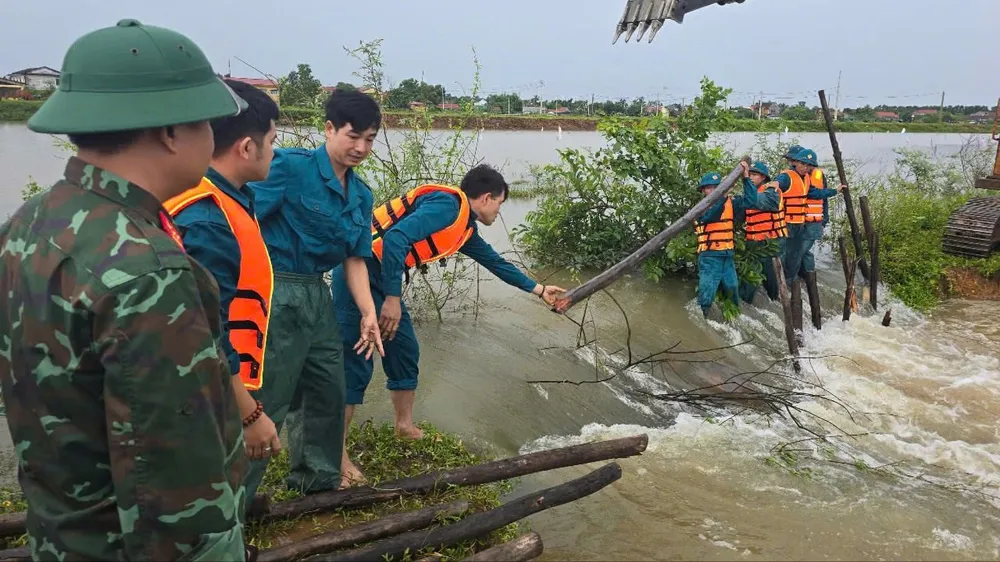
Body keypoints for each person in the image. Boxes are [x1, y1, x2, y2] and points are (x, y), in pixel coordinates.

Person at [0, 19, 252, 560]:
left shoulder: (32, 221)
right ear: (169, 131)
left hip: (61, 533)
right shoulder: (148, 273)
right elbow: (174, 492)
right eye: (207, 121)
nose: (214, 137)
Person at [331, 164, 566, 483]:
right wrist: (392, 299)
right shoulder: (447, 206)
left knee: (405, 348)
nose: (499, 211)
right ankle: (337, 458)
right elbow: (397, 238)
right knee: (356, 361)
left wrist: (539, 290)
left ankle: (404, 426)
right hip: (357, 272)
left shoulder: (464, 228)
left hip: (380, 277)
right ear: (486, 198)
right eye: (500, 203)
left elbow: (494, 262)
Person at [242, 89, 385, 501]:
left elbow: (354, 258)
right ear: (328, 129)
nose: (361, 147)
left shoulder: (361, 194)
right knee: (269, 394)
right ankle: (237, 499)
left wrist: (367, 313)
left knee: (326, 387)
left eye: (370, 138)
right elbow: (243, 222)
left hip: (316, 294)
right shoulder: (289, 166)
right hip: (275, 288)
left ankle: (317, 482)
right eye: (353, 135)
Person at [164, 79, 283, 464]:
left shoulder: (202, 193)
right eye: (273, 141)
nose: (274, 152)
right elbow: (204, 332)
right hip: (199, 398)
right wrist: (248, 414)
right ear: (248, 147)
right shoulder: (211, 221)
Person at [693, 162, 758, 317]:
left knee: (732, 288)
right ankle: (702, 319)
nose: (712, 191)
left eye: (716, 187)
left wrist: (746, 178)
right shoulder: (700, 208)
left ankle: (733, 320)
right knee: (707, 292)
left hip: (727, 254)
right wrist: (722, 196)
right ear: (703, 191)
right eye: (709, 188)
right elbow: (711, 216)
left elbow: (751, 200)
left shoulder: (731, 202)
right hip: (710, 255)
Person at [774, 147, 842, 284]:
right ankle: (787, 281)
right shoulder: (787, 177)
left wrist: (834, 191)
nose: (806, 167)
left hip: (806, 223)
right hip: (789, 223)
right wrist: (773, 185)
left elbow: (818, 194)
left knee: (797, 253)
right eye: (802, 163)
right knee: (789, 253)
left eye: (809, 165)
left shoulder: (808, 178)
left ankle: (797, 281)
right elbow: (777, 185)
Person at [739, 161, 788, 303]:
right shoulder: (750, 194)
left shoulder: (771, 192)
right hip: (755, 243)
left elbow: (755, 201)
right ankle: (749, 303)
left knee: (770, 277)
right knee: (752, 275)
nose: (752, 177)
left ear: (763, 178)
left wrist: (745, 179)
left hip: (771, 243)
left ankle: (776, 302)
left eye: (754, 175)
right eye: (751, 174)